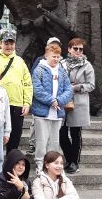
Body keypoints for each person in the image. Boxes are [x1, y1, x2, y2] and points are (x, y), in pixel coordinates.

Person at [31, 42, 73, 173]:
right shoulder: (39, 70)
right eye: (53, 56)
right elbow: (37, 89)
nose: (56, 59)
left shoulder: (62, 71)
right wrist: (51, 100)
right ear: (46, 55)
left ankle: (52, 165)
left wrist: (59, 101)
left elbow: (68, 89)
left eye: (58, 56)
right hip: (42, 113)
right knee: (41, 141)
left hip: (57, 113)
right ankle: (40, 164)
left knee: (54, 142)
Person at [0, 30, 33, 152]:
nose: (9, 46)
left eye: (11, 43)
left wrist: (27, 103)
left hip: (17, 104)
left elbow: (27, 83)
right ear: (0, 44)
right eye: (6, 43)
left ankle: (11, 159)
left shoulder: (20, 61)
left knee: (15, 135)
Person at [59, 38, 96, 173]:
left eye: (81, 49)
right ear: (69, 49)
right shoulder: (61, 64)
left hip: (78, 102)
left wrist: (77, 87)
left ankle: (74, 162)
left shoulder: (87, 65)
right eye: (75, 48)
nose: (78, 51)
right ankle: (69, 158)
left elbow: (91, 85)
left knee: (76, 134)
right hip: (62, 101)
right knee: (61, 133)